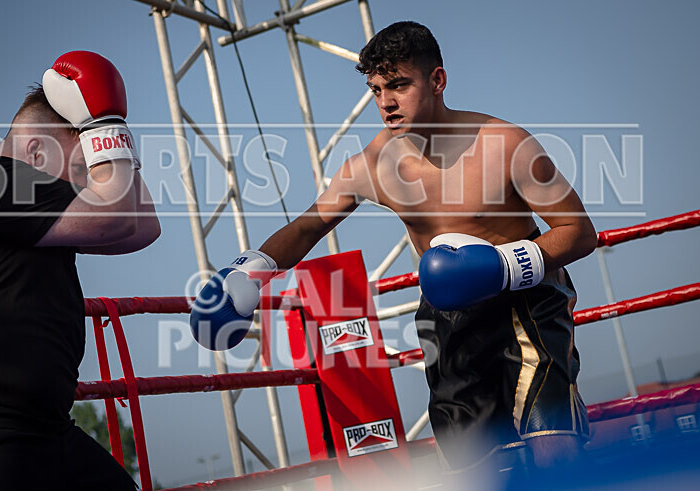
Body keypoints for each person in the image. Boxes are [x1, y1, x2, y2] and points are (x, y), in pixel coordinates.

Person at [191, 22, 596, 475]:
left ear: (437, 81)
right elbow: (308, 226)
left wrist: (504, 264)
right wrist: (250, 271)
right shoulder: (373, 165)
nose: (385, 102)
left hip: (526, 302)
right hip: (449, 318)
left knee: (553, 448)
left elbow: (578, 231)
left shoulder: (504, 144)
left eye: (399, 85)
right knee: (476, 470)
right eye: (376, 89)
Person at [0, 51, 160, 490]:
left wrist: (108, 134)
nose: (85, 185)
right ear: (35, 152)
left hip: (44, 431)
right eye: (81, 170)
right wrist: (102, 126)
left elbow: (141, 225)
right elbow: (117, 213)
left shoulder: (30, 208)